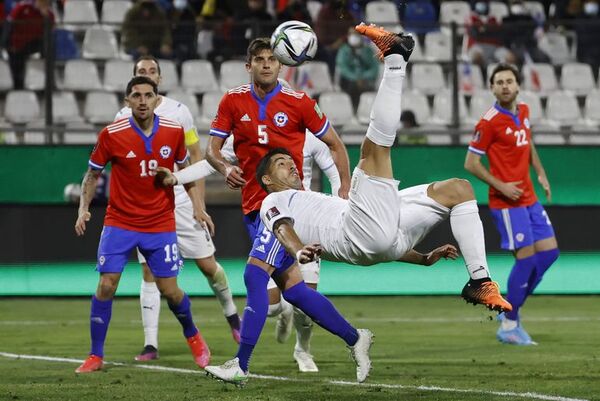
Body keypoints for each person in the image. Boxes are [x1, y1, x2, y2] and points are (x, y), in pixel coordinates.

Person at [160, 23, 511, 386]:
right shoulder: (274, 200)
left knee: (458, 189)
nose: (293, 165)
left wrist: (421, 257)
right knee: (375, 149)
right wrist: (298, 250)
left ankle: (478, 281)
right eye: (282, 165)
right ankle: (394, 60)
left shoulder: (301, 184)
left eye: (291, 162)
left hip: (380, 235)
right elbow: (282, 226)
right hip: (363, 231)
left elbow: (380, 241)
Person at [204, 37, 352, 372]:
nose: (267, 64)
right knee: (295, 295)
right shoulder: (232, 101)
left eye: (272, 58)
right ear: (249, 66)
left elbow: (335, 144)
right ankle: (356, 339)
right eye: (260, 59)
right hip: (253, 208)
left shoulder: (299, 102)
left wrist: (342, 189)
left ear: (281, 65)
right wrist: (225, 168)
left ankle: (240, 366)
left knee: (255, 278)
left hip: (286, 209)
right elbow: (211, 151)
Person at [159, 132, 342, 373]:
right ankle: (282, 313)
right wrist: (177, 177)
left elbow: (333, 170)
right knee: (272, 305)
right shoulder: (251, 130)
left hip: (308, 223)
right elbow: (211, 163)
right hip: (270, 221)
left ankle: (302, 351)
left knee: (306, 300)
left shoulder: (309, 135)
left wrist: (340, 200)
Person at [73, 76, 210, 373]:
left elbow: (184, 173)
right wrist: (84, 208)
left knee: (171, 291)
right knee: (106, 285)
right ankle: (96, 355)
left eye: (149, 95)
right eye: (136, 95)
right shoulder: (112, 134)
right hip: (120, 221)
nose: (143, 100)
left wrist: (198, 207)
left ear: (157, 99)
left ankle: (194, 337)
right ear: (127, 101)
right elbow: (92, 174)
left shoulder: (173, 132)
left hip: (160, 222)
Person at [114, 56, 241, 362]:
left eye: (152, 71)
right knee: (148, 273)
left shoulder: (179, 112)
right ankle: (150, 344)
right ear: (133, 82)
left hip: (181, 203)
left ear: (160, 79)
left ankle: (233, 317)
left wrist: (200, 206)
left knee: (208, 266)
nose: (148, 75)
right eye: (141, 72)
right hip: (147, 210)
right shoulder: (121, 117)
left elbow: (195, 159)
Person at [465, 63, 559, 345]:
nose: (505, 86)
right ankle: (509, 324)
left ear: (518, 86)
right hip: (507, 203)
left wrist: (540, 172)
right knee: (527, 259)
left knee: (549, 255)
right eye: (499, 82)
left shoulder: (524, 112)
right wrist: (501, 185)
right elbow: (471, 163)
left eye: (509, 81)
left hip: (529, 197)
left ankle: (511, 309)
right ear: (492, 88)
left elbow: (527, 143)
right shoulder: (489, 121)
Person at [1, 0, 54, 89]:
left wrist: (46, 17)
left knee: (50, 45)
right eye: (42, 2)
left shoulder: (49, 14)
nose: (44, 4)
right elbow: (8, 25)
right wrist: (7, 45)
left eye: (46, 3)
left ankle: (50, 83)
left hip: (34, 43)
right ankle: (18, 87)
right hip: (17, 44)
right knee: (16, 62)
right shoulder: (23, 7)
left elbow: (49, 32)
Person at [335, 26, 380, 110]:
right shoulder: (343, 50)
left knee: (369, 86)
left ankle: (367, 110)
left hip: (365, 80)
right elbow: (343, 68)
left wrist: (363, 77)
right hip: (349, 80)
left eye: (355, 34)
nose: (353, 36)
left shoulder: (368, 50)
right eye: (350, 34)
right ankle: (354, 110)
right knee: (353, 86)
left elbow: (374, 68)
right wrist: (356, 78)